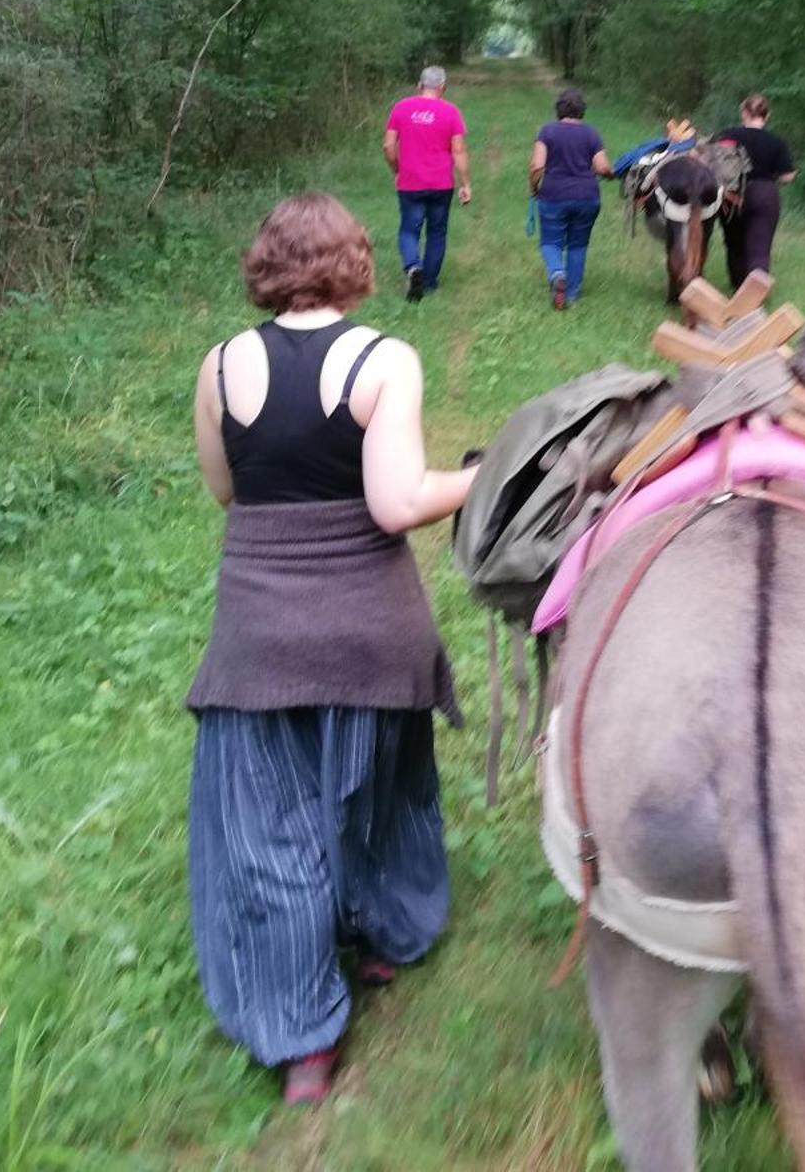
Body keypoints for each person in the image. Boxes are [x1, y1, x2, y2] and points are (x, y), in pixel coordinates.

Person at [187, 193, 473, 1105]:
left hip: (258, 635)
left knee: (271, 831)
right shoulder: (384, 359)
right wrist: (478, 477)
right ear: (355, 262)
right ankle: (384, 937)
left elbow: (227, 493)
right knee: (375, 795)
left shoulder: (220, 366)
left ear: (265, 264)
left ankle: (302, 1040)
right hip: (368, 628)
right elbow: (395, 505)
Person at [383, 66, 471, 302]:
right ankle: (429, 283)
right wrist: (466, 183)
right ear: (442, 87)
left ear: (419, 85)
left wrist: (397, 170)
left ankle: (413, 267)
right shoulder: (451, 112)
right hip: (441, 184)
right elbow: (459, 150)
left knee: (409, 229)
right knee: (436, 232)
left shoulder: (401, 108)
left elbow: (388, 146)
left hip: (410, 182)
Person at [529, 87, 613, 309]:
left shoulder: (547, 132)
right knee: (578, 245)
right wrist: (610, 173)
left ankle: (557, 274)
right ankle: (572, 295)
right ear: (581, 111)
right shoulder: (591, 133)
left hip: (554, 196)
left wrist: (534, 187)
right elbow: (603, 166)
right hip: (587, 196)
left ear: (558, 110)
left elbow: (537, 166)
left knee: (550, 242)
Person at [715, 94, 796, 287]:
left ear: (744, 113)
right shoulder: (776, 142)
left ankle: (737, 287)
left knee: (734, 245)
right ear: (766, 116)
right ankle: (754, 298)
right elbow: (788, 176)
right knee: (759, 249)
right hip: (764, 194)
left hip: (732, 195)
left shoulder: (727, 135)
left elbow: (713, 162)